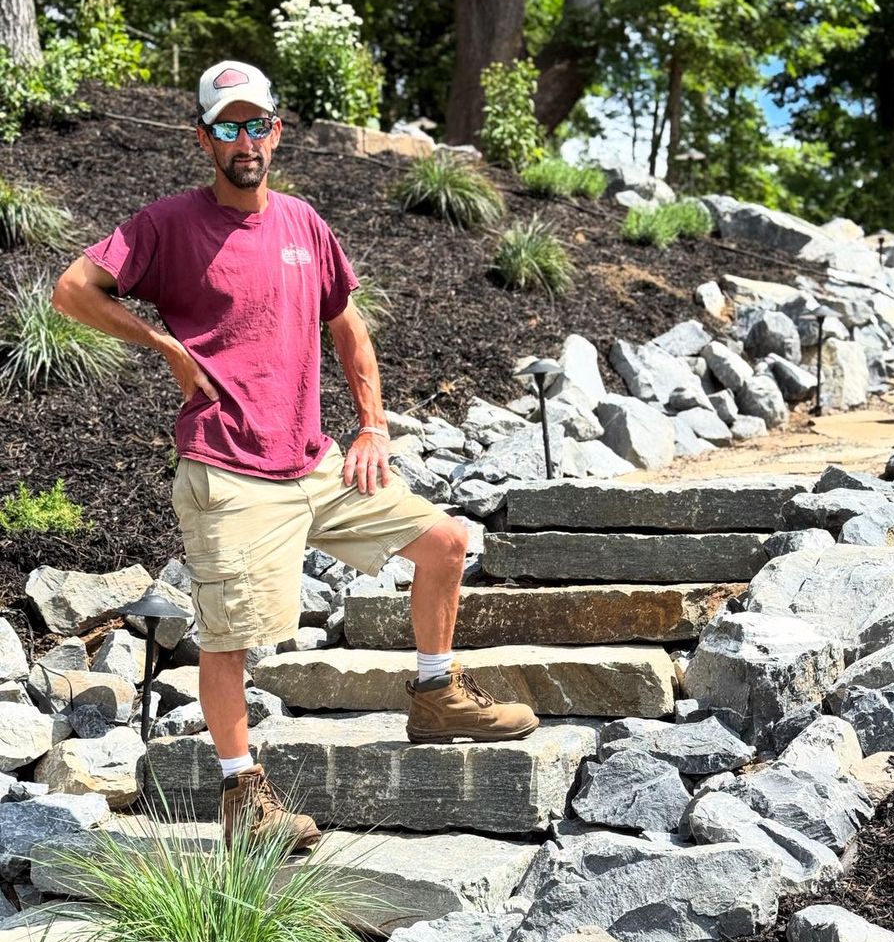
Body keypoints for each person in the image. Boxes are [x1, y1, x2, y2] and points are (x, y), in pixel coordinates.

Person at [52, 60, 538, 852]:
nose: (245, 141)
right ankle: (244, 797)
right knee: (229, 638)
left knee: (446, 541)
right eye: (227, 126)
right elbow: (74, 289)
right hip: (227, 466)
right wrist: (166, 346)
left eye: (257, 124)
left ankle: (435, 692)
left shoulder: (305, 224)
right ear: (203, 137)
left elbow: (348, 328)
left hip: (314, 463)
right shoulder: (168, 224)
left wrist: (373, 426)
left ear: (277, 131)